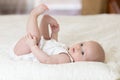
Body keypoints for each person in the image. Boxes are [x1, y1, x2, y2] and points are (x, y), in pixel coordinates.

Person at [13, 4, 105, 64]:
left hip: (26, 53)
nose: (78, 48)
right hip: (30, 46)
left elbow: (47, 60)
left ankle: (33, 15)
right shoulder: (65, 49)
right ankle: (44, 19)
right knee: (43, 38)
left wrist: (33, 47)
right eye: (81, 44)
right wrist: (54, 31)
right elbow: (51, 42)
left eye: (82, 52)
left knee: (36, 37)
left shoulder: (66, 59)